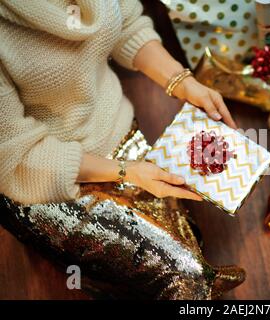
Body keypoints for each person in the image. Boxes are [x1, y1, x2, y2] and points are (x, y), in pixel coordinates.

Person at [0, 0, 244, 299]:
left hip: (119, 133)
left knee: (187, 244)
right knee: (184, 276)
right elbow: (19, 157)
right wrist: (127, 173)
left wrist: (182, 82)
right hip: (45, 177)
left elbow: (127, 26)